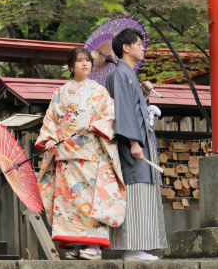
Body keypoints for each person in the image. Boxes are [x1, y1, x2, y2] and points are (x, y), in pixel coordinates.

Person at [35, 47, 126, 261]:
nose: (85, 64)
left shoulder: (99, 91)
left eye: (88, 61)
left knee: (91, 199)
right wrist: (49, 139)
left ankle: (93, 246)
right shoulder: (59, 93)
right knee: (70, 200)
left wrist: (94, 126)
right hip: (66, 154)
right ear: (70, 66)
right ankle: (76, 243)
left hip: (91, 154)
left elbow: (110, 115)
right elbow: (50, 121)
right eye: (80, 61)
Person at [106, 28, 167, 261]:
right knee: (135, 192)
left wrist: (145, 94)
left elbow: (135, 107)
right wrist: (133, 142)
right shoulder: (120, 74)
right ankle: (131, 248)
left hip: (140, 143)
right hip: (133, 145)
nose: (143, 47)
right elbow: (123, 111)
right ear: (126, 47)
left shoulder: (129, 74)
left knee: (143, 192)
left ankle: (138, 247)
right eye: (139, 43)